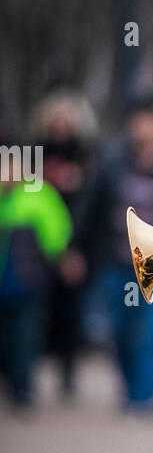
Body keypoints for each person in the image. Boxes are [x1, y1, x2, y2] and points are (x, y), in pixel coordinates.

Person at [74, 93, 153, 412]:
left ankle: (148, 396)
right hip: (118, 263)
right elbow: (91, 210)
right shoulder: (111, 163)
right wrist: (75, 250)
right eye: (142, 119)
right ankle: (130, 391)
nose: (147, 127)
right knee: (121, 331)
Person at [30, 87, 98, 397]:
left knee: (71, 311)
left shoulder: (86, 153)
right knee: (36, 311)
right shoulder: (35, 151)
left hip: (73, 241)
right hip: (36, 244)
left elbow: (92, 200)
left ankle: (68, 374)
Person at [0, 145, 73, 407]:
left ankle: (23, 388)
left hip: (28, 281)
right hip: (6, 283)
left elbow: (56, 230)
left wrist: (62, 257)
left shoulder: (37, 193)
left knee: (26, 337)